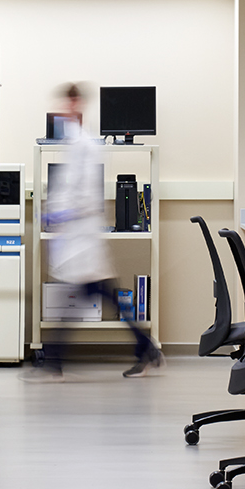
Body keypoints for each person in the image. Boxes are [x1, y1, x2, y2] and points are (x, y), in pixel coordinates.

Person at [40, 83, 163, 377]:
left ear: (77, 103)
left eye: (69, 103)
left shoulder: (85, 144)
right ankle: (146, 350)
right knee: (93, 296)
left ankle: (54, 361)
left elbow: (86, 194)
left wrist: (60, 214)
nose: (65, 109)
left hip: (82, 237)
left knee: (84, 298)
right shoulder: (74, 142)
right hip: (77, 238)